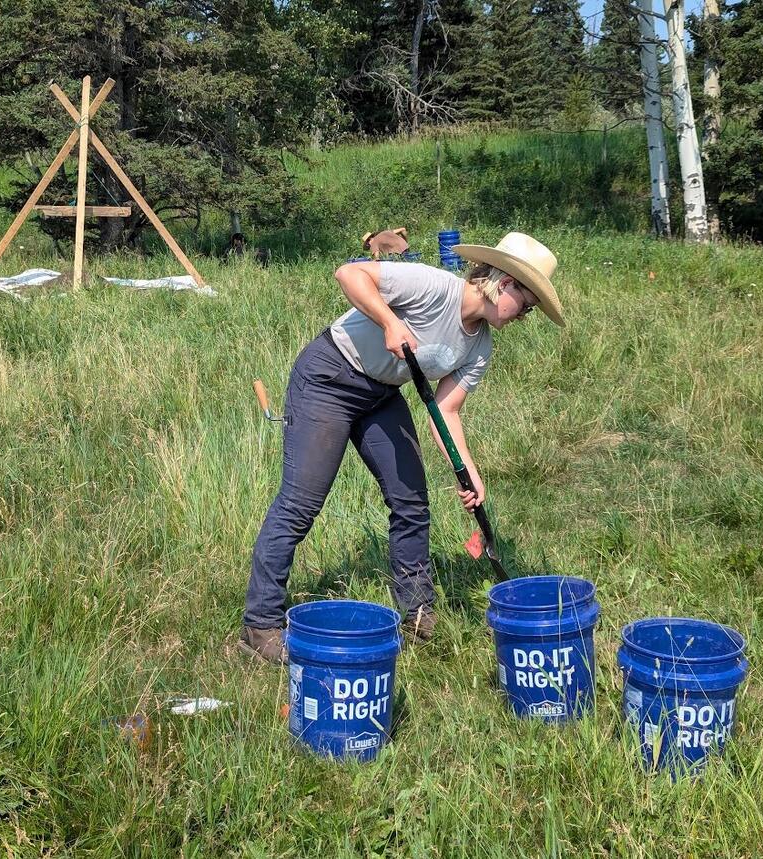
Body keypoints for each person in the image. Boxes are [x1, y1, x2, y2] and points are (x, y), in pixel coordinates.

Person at [239, 232, 565, 664]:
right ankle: (260, 624)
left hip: (381, 394)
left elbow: (446, 412)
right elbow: (350, 273)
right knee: (301, 502)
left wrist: (468, 470)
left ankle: (417, 613)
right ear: (504, 283)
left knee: (411, 502)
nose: (525, 314)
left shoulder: (480, 345)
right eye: (527, 303)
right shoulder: (434, 287)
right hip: (329, 377)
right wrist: (390, 321)